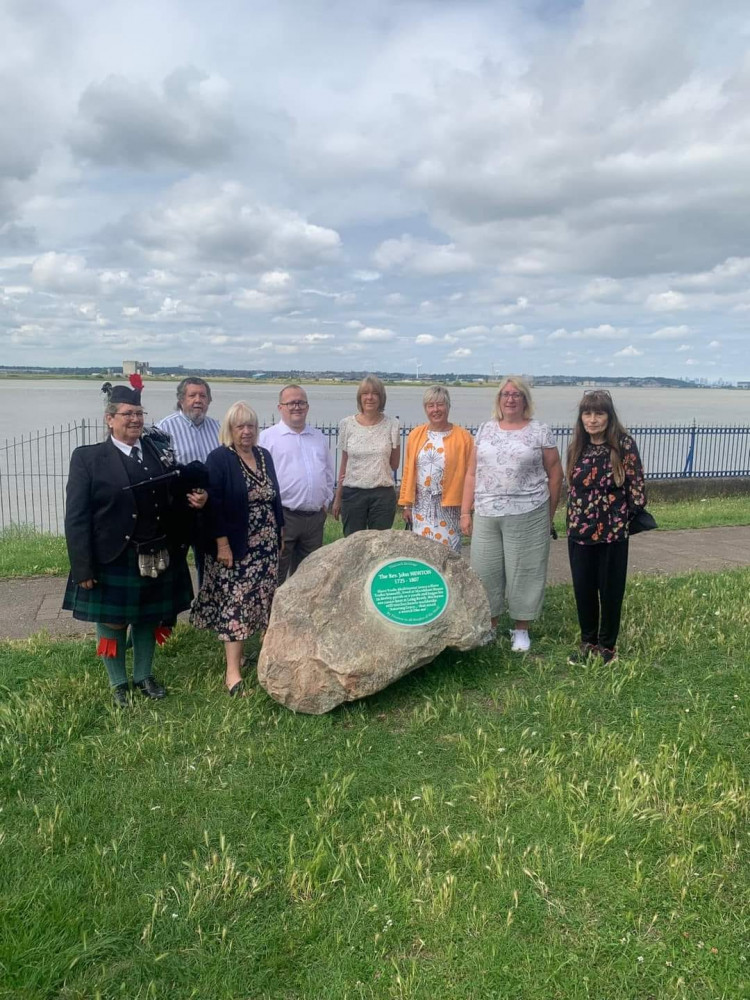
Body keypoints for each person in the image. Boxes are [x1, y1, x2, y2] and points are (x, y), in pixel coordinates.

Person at [63, 378, 208, 708]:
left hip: (157, 551)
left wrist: (194, 500)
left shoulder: (158, 451)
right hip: (113, 555)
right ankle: (118, 682)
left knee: (148, 618)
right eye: (127, 414)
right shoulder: (88, 458)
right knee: (112, 620)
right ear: (109, 418)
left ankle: (144, 675)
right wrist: (82, 565)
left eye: (139, 413)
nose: (135, 420)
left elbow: (172, 496)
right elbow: (76, 517)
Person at [460, 376, 563, 652]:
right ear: (499, 400)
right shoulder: (484, 430)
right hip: (486, 511)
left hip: (528, 510)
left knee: (525, 570)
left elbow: (555, 473)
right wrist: (465, 512)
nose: (510, 399)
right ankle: (490, 626)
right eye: (505, 394)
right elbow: (472, 473)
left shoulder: (540, 431)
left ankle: (521, 629)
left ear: (525, 400)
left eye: (516, 394)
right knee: (486, 570)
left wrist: (549, 513)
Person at [190, 402, 284, 696]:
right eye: (240, 426)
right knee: (236, 606)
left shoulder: (264, 455)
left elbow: (274, 497)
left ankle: (255, 656)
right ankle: (232, 674)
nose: (246, 432)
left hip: (266, 547)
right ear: (229, 430)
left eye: (251, 426)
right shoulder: (219, 458)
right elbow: (213, 506)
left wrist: (279, 533)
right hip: (236, 548)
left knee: (264, 602)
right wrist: (222, 544)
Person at [565, 390, 646, 665]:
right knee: (583, 589)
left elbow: (636, 488)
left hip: (612, 533)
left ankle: (607, 646)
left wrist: (621, 518)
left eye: (599, 413)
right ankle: (588, 642)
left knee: (610, 591)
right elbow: (572, 488)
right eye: (587, 413)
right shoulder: (577, 445)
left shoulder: (623, 445)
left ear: (609, 416)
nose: (593, 419)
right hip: (579, 532)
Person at [259, 385, 335, 582]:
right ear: (280, 407)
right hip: (284, 517)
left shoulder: (318, 437)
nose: (296, 407)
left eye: (301, 402)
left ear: (307, 407)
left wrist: (326, 500)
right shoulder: (268, 438)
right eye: (291, 403)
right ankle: (274, 613)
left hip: (314, 519)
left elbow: (328, 472)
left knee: (308, 577)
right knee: (276, 574)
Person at [157, 377, 220, 584]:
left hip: (209, 507)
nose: (198, 400)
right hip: (178, 510)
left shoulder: (218, 429)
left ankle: (205, 609)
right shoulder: (163, 429)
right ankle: (171, 611)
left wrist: (208, 494)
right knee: (174, 565)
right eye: (192, 395)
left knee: (210, 565)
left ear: (209, 400)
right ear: (181, 399)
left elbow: (223, 471)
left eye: (203, 395)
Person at [398, 385, 474, 552]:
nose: (436, 410)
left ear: (448, 406)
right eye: (431, 405)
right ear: (425, 408)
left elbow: (472, 475)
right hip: (421, 507)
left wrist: (466, 511)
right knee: (422, 554)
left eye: (440, 404)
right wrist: (407, 505)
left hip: (449, 508)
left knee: (449, 554)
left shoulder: (464, 437)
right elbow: (409, 470)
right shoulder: (415, 434)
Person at [332, 375, 400, 536]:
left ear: (381, 397)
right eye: (365, 393)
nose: (369, 397)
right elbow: (344, 463)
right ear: (359, 397)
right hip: (353, 494)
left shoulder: (393, 425)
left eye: (375, 393)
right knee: (353, 544)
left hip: (382, 495)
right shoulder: (347, 424)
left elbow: (395, 464)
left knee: (380, 545)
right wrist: (338, 497)